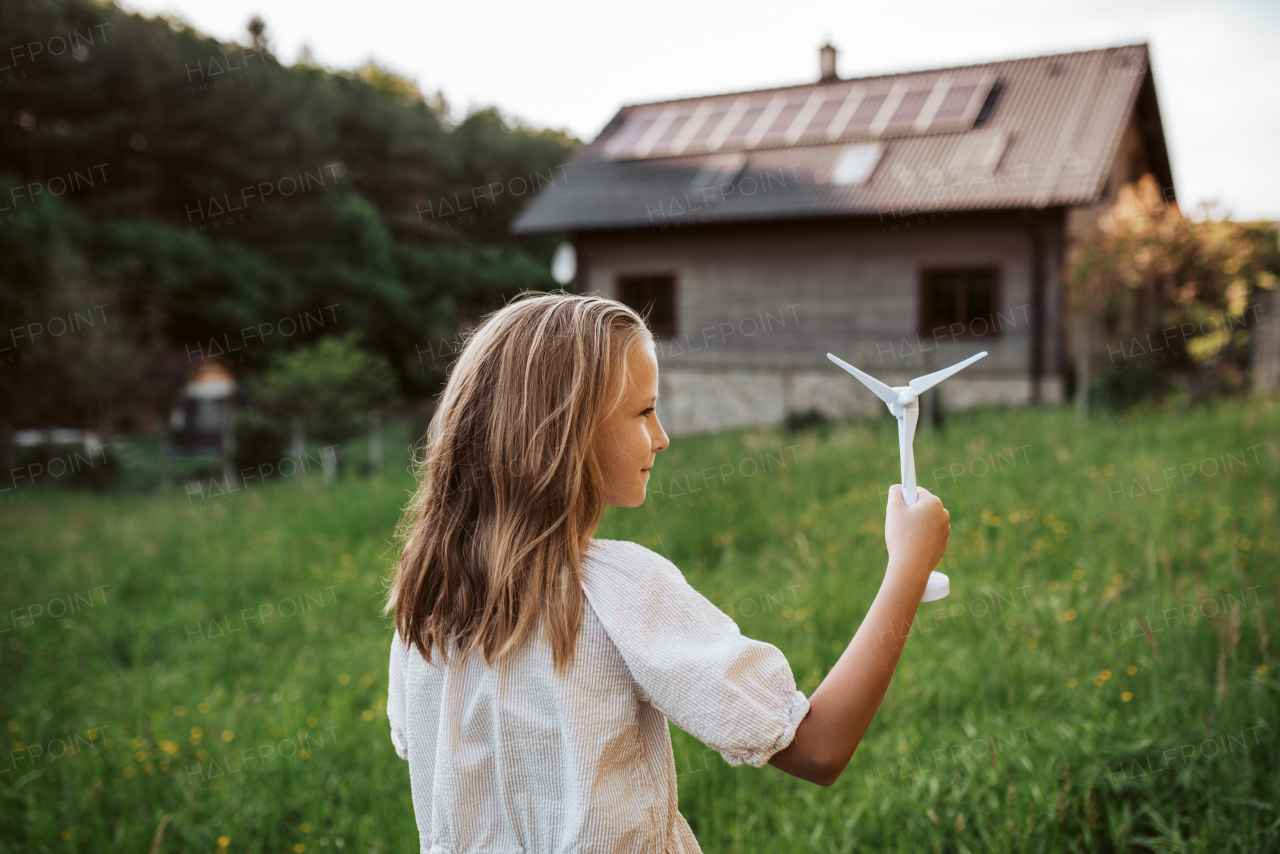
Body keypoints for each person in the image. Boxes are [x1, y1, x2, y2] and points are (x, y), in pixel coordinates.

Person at [384, 293, 951, 854]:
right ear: (567, 432)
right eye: (643, 412)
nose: (662, 436)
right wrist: (906, 567)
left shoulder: (428, 604)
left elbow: (426, 753)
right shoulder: (617, 589)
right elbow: (818, 749)